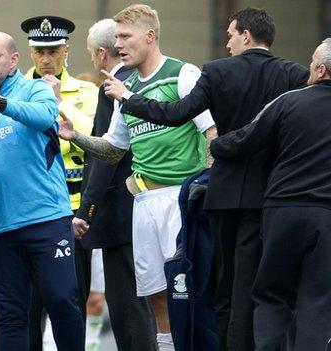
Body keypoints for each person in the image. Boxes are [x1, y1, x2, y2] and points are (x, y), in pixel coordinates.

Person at [112, 8, 309, 350]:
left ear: (245, 35)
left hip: (224, 196)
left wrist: (129, 98)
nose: (227, 43)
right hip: (272, 195)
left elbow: (175, 115)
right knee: (266, 287)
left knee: (223, 287)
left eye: (231, 35)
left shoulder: (215, 71)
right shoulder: (293, 74)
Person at [58, 5, 216, 350]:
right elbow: (114, 149)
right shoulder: (123, 85)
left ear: (150, 36)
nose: (119, 44)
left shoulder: (182, 73)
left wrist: (205, 186)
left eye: (125, 37)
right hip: (141, 201)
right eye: (116, 38)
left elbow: (211, 135)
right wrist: (76, 138)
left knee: (184, 287)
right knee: (153, 292)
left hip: (179, 197)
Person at [209, 38, 331, 351]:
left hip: (282, 212)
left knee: (272, 295)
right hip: (326, 218)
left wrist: (215, 145)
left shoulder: (289, 102)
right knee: (318, 300)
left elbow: (245, 139)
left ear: (320, 70)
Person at [0, 31, 84, 351]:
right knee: (11, 315)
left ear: (14, 59)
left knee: (61, 300)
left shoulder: (36, 88)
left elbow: (44, 116)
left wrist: (1, 102)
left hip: (46, 217)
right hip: (1, 224)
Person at [75, 18, 157, 351]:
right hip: (152, 202)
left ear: (99, 53)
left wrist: (87, 209)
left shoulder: (113, 86)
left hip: (120, 212)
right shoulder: (149, 79)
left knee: (126, 304)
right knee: (152, 300)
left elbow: (106, 154)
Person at [19, 16, 98, 350]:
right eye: (39, 51)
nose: (46, 59)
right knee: (27, 306)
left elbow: (95, 139)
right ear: (30, 52)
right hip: (29, 210)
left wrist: (58, 101)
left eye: (53, 50)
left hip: (74, 210)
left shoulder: (87, 92)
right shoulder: (15, 91)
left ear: (66, 50)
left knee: (70, 300)